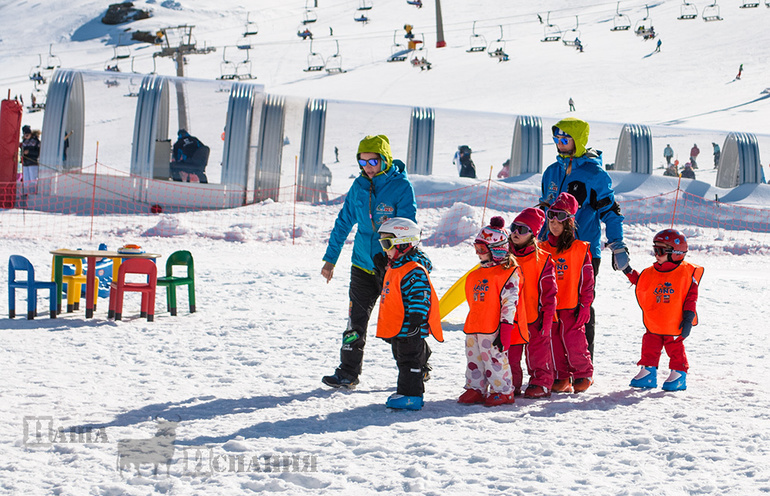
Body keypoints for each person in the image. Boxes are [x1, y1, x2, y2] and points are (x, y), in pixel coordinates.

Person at [321, 134, 417, 389]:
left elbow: (408, 228)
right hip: (362, 264)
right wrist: (331, 259)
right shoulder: (359, 187)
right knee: (355, 322)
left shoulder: (401, 187)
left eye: (373, 161)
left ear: (384, 159)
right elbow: (343, 223)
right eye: (362, 162)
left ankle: (419, 364)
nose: (368, 167)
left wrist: (398, 261)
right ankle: (348, 372)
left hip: (392, 267)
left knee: (398, 323)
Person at [539, 118, 630, 360]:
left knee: (579, 307)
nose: (560, 144)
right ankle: (553, 362)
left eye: (565, 139)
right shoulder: (551, 171)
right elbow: (544, 209)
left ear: (578, 140)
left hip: (583, 251)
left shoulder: (594, 174)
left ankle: (582, 362)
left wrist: (617, 244)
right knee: (548, 304)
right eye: (557, 139)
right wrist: (533, 238)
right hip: (551, 248)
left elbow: (610, 211)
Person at [375, 218, 442, 410]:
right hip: (399, 328)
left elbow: (420, 296)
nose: (384, 249)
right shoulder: (397, 267)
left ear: (404, 243)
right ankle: (405, 391)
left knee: (409, 361)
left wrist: (416, 321)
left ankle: (412, 396)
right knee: (402, 359)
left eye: (386, 243)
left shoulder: (414, 271)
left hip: (410, 327)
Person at [625, 229, 703, 391]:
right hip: (655, 323)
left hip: (675, 324)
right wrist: (627, 270)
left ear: (676, 253)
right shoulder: (651, 272)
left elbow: (691, 298)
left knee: (675, 348)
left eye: (660, 250)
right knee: (649, 345)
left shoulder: (686, 274)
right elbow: (641, 282)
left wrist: (688, 318)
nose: (656, 254)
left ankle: (679, 373)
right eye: (655, 250)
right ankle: (648, 371)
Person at [457, 217, 521, 407]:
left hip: (493, 328)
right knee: (474, 359)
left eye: (482, 250)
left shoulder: (508, 273)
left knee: (494, 359)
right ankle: (475, 388)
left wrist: (506, 327)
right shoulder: (475, 274)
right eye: (476, 249)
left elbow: (510, 303)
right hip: (474, 326)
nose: (478, 254)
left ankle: (503, 391)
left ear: (497, 249)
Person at [538, 193, 595, 393]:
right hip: (549, 309)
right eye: (550, 216)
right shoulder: (542, 249)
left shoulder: (580, 249)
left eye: (559, 218)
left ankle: (583, 374)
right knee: (553, 345)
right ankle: (561, 378)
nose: (554, 223)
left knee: (575, 344)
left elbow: (587, 281)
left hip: (571, 307)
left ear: (569, 222)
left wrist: (585, 304)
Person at [507, 208, 558, 399]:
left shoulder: (543, 260)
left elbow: (550, 293)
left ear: (533, 234)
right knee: (510, 354)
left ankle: (541, 382)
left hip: (534, 316)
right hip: (510, 317)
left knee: (538, 353)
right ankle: (510, 383)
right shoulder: (504, 256)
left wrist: (546, 320)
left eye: (522, 229)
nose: (516, 233)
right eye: (514, 228)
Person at [20, 125, 41, 195]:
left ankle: (34, 192)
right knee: (26, 180)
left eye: (27, 134)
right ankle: (26, 193)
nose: (26, 136)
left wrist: (29, 152)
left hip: (33, 162)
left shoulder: (35, 141)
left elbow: (38, 152)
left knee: (33, 179)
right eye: (25, 134)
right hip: (25, 163)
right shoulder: (24, 142)